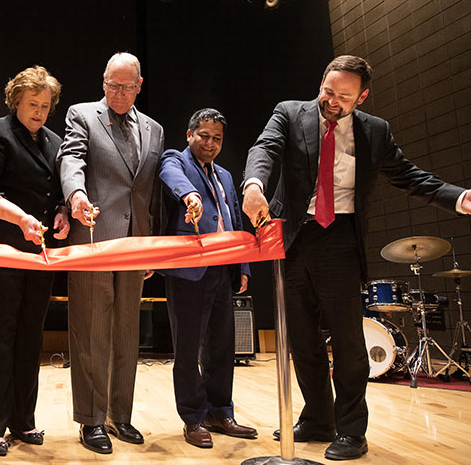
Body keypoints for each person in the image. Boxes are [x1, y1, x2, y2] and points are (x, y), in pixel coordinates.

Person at [242, 55, 471, 461]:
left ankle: (351, 431)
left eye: (343, 97)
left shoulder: (375, 132)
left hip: (340, 240)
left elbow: (409, 175)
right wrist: (254, 183)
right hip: (293, 238)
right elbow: (265, 148)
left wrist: (459, 197)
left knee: (348, 342)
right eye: (328, 91)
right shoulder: (291, 114)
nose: (331, 101)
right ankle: (317, 419)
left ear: (361, 97)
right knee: (302, 340)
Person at [57, 52, 164, 454]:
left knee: (127, 333)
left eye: (126, 86)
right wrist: (76, 194)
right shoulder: (82, 115)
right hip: (92, 237)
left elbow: (148, 192)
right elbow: (71, 157)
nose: (118, 93)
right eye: (111, 85)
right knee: (90, 330)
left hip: (135, 244)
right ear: (103, 82)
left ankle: (121, 415)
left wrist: (150, 243)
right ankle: (90, 420)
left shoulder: (154, 129)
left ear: (139, 85)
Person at [0, 65, 69, 456]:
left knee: (30, 335)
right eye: (32, 104)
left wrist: (61, 211)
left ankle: (23, 420)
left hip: (36, 253)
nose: (39, 112)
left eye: (45, 105)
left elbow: (54, 192)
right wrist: (21, 218)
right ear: (16, 101)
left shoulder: (54, 141)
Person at [159, 108, 257, 449]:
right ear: (190, 135)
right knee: (187, 349)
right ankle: (193, 417)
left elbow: (235, 222)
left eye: (216, 138)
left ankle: (220, 411)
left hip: (224, 268)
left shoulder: (227, 176)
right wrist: (191, 196)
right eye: (203, 136)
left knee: (222, 347)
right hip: (188, 269)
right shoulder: (176, 159)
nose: (210, 143)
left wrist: (242, 267)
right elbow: (171, 175)